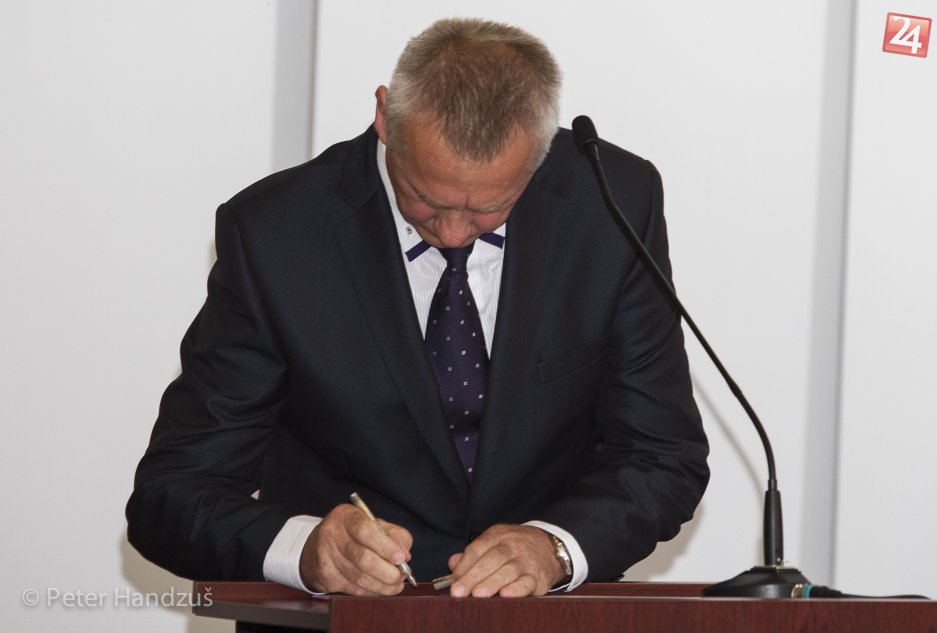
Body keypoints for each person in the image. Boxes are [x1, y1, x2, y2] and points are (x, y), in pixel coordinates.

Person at [126, 17, 709, 599]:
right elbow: (173, 494)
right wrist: (305, 550)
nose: (453, 234)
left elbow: (660, 457)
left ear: (540, 154)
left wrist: (555, 548)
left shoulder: (611, 204)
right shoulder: (277, 234)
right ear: (385, 117)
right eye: (426, 200)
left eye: (488, 209)